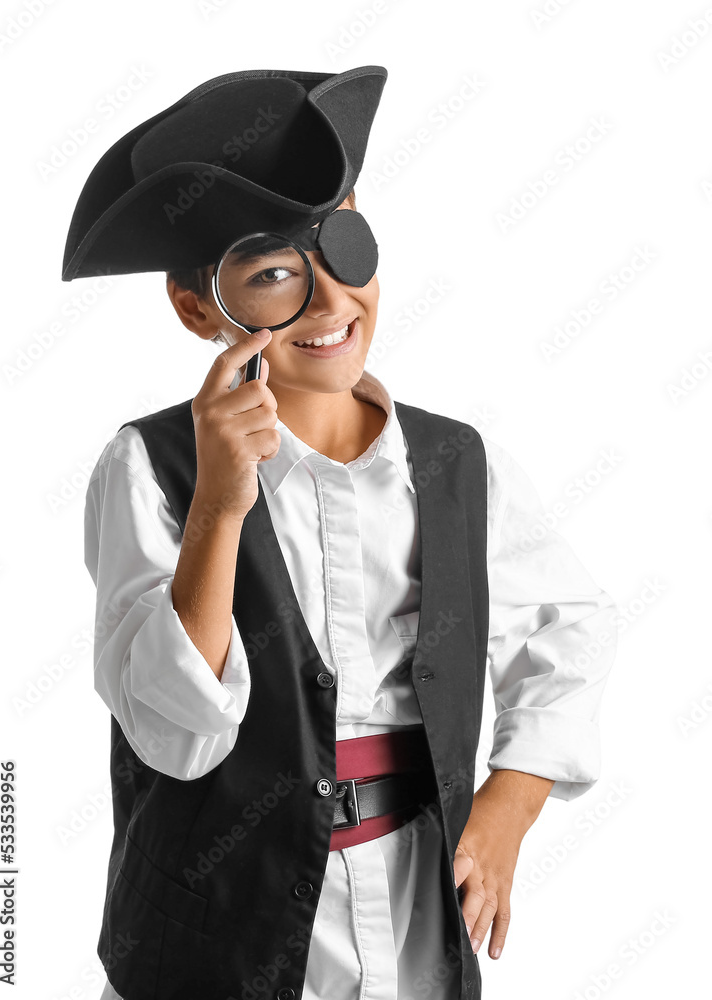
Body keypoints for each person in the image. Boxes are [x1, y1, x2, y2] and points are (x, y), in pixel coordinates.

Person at [65, 66, 618, 1000]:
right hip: (215, 936)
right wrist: (219, 506)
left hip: (412, 915)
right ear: (198, 307)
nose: (330, 305)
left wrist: (508, 807)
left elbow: (571, 624)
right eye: (274, 275)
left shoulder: (454, 462)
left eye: (344, 248)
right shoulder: (149, 467)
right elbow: (172, 735)